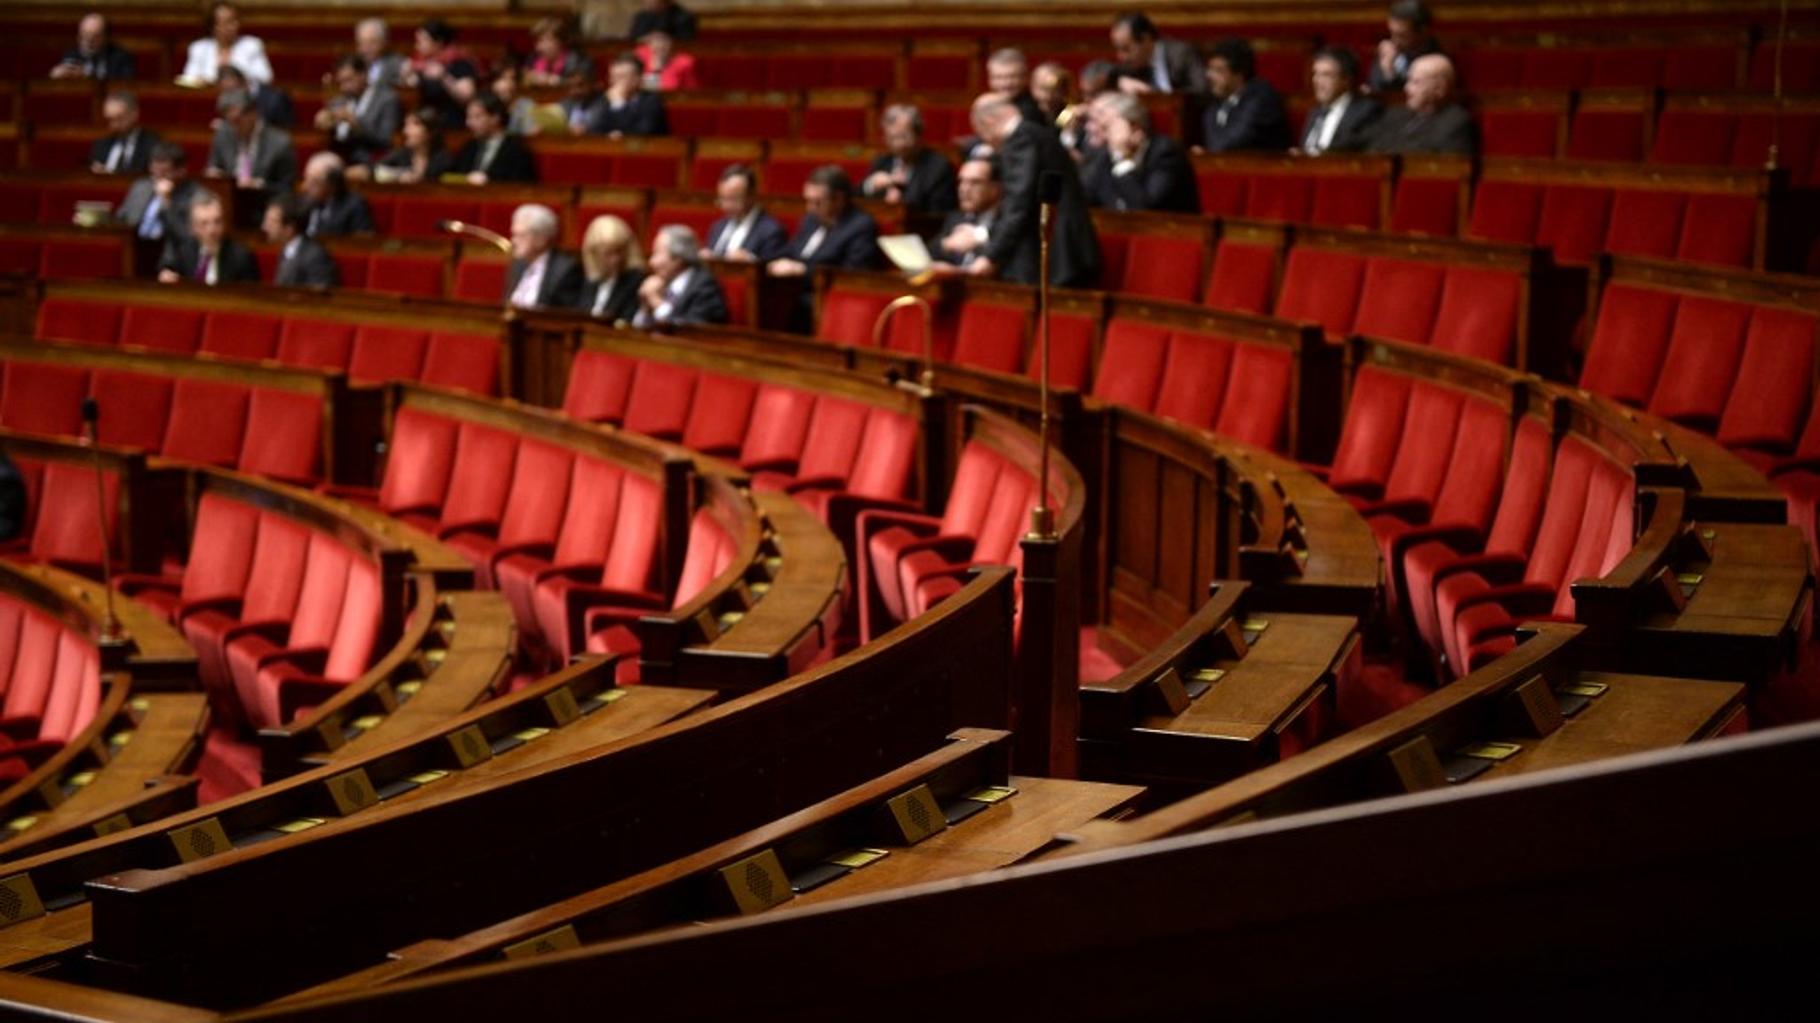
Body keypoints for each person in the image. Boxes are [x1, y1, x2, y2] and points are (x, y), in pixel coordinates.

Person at [966, 93, 1098, 287]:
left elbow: (1018, 202)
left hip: (1058, 251)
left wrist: (991, 256)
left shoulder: (1020, 140)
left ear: (989, 121)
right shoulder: (1036, 132)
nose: (988, 142)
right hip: (1066, 245)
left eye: (982, 133)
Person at [1082, 92, 1198, 213]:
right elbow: (1085, 197)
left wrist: (1122, 160)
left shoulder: (1166, 154)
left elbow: (1145, 209)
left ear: (1135, 128)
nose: (1092, 129)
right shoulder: (1104, 154)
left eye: (1107, 127)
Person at [768, 166, 882, 278]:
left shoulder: (860, 227)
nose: (810, 208)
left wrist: (803, 270)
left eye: (818, 202)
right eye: (808, 200)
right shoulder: (810, 220)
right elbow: (792, 251)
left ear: (838, 199)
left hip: (821, 293)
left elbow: (852, 274)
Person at [1368, 53, 1475, 155]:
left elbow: (1448, 167)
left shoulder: (1455, 121)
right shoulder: (1395, 114)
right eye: (1408, 81)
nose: (1406, 88)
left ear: (1439, 89)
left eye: (1415, 82)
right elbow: (1373, 148)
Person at [862, 105, 958, 215]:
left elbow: (939, 213)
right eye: (892, 138)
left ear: (919, 135)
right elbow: (857, 196)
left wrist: (902, 203)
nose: (898, 144)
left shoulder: (939, 167)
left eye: (903, 137)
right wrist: (871, 185)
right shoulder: (882, 162)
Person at [1200, 38, 1290, 153]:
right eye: (1210, 69)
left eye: (1218, 70)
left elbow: (1234, 141)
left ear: (1239, 75)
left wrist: (1208, 153)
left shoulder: (1261, 98)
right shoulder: (1215, 100)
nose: (1209, 75)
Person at [636, 226, 728, 328]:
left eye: (657, 253)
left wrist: (656, 301)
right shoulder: (661, 284)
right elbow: (638, 330)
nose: (651, 262)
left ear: (678, 258)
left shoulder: (705, 287)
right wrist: (645, 308)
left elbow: (691, 331)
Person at [207, 88, 297, 192]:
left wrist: (259, 186)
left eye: (237, 120)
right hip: (228, 200)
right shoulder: (223, 134)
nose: (233, 127)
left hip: (263, 201)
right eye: (228, 121)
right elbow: (214, 167)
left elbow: (286, 188)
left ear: (253, 114)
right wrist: (214, 175)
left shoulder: (281, 143)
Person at [157, 192, 258, 285]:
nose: (211, 230)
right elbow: (167, 270)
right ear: (192, 228)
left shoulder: (241, 257)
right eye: (204, 224)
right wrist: (167, 276)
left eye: (217, 221)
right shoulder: (183, 252)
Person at [1299, 47, 1384, 155]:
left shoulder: (1366, 112)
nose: (1316, 81)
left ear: (1346, 80)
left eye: (1326, 75)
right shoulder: (1315, 112)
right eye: (1315, 74)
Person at [316, 54, 400, 163]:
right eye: (340, 82)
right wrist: (324, 123)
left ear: (363, 75)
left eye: (348, 80)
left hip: (370, 159)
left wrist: (356, 124)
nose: (343, 87)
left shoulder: (386, 99)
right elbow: (333, 134)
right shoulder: (339, 100)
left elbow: (385, 140)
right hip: (339, 156)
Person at [116, 142, 201, 243]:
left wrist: (166, 200)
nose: (157, 178)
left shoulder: (194, 195)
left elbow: (184, 236)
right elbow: (121, 218)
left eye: (164, 172)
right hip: (133, 246)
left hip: (168, 252)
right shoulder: (141, 186)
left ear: (181, 171)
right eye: (154, 172)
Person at [503, 204, 584, 310]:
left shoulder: (566, 270)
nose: (513, 241)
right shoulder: (518, 264)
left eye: (521, 235)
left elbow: (565, 318)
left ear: (542, 239)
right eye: (514, 234)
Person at [703, 164, 789, 263]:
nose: (725, 206)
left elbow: (774, 270)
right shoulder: (718, 227)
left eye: (733, 199)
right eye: (722, 199)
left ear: (751, 196)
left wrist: (750, 261)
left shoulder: (772, 231)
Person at [932, 156, 1003, 271]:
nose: (964, 189)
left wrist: (980, 239)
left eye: (975, 182)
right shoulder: (956, 217)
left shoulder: (1007, 222)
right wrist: (947, 244)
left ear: (995, 188)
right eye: (961, 182)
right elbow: (932, 249)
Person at [575, 215, 648, 323]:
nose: (615, 260)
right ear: (593, 253)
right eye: (608, 254)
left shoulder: (635, 281)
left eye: (619, 251)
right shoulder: (581, 277)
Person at [1110, 13, 1206, 95]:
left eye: (1126, 49)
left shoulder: (1181, 54)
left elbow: (1201, 91)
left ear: (1145, 39)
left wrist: (1153, 94)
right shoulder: (1129, 64)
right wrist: (1119, 81)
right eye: (1118, 49)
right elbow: (1102, 68)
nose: (1120, 56)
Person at [403, 19, 480, 119]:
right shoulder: (420, 63)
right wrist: (407, 76)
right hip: (426, 119)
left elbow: (467, 96)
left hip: (451, 119)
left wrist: (443, 77)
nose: (417, 46)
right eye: (417, 41)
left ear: (438, 42)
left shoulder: (459, 63)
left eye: (423, 40)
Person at [453, 95, 538, 184]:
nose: (469, 123)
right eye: (469, 117)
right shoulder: (470, 146)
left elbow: (521, 186)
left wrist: (488, 182)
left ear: (495, 117)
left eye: (477, 117)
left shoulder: (516, 149)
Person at [182, 2, 271, 85]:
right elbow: (189, 79)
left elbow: (265, 77)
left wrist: (240, 81)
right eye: (226, 22)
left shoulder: (252, 45)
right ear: (213, 26)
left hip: (242, 99)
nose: (233, 26)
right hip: (207, 98)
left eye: (234, 21)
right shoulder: (199, 48)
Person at [1370, 0, 1443, 93]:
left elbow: (1414, 95)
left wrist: (1389, 72)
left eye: (1402, 35)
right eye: (1392, 33)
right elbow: (1374, 87)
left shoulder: (1437, 59)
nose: (1394, 41)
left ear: (1423, 31)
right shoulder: (1388, 51)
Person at [264, 195, 338, 288]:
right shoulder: (286, 250)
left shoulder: (316, 257)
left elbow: (320, 298)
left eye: (271, 222)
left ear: (289, 229)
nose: (265, 227)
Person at [589, 53, 668, 137]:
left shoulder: (652, 102)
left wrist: (619, 103)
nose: (615, 82)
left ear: (638, 79)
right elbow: (595, 129)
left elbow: (643, 132)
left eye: (621, 77)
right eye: (613, 77)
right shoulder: (605, 99)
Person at [366, 107, 452, 184]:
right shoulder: (400, 155)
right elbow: (372, 169)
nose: (405, 131)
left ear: (430, 132)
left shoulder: (443, 160)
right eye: (406, 125)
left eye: (413, 125)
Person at [300, 152, 373, 237]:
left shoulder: (354, 205)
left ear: (332, 184)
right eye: (306, 179)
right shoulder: (305, 202)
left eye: (314, 182)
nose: (305, 186)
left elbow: (362, 241)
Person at [90, 92, 160, 175]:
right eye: (109, 120)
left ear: (134, 114)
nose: (113, 125)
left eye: (119, 119)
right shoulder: (101, 145)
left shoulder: (152, 145)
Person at [53, 13, 135, 81]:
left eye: (95, 36)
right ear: (78, 37)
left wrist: (86, 77)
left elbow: (124, 86)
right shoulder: (71, 55)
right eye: (85, 35)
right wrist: (55, 76)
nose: (89, 41)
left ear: (106, 37)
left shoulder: (121, 57)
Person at [217, 64, 293, 130]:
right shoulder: (228, 103)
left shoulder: (276, 99)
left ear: (244, 83)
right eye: (225, 92)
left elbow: (287, 132)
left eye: (232, 91)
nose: (229, 97)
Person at [525, 17, 589, 87]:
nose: (538, 47)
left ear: (559, 41)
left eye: (543, 41)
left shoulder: (579, 61)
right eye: (537, 41)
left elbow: (580, 85)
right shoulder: (535, 57)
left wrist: (558, 81)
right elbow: (524, 76)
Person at [987, 49, 1045, 124]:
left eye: (1012, 77)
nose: (1006, 83)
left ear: (1026, 77)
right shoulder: (989, 105)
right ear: (990, 79)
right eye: (999, 77)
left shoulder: (1038, 107)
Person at [351, 18, 405, 90]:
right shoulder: (355, 65)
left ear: (384, 42)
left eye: (372, 43)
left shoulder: (398, 65)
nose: (365, 49)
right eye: (362, 43)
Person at [492, 63, 540, 136]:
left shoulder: (527, 105)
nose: (508, 84)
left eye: (512, 79)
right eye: (502, 79)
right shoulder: (487, 105)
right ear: (493, 84)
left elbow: (530, 135)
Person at [628, 0, 697, 43]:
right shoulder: (641, 16)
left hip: (673, 56)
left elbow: (687, 43)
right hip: (642, 53)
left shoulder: (684, 17)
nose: (646, 1)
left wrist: (663, 38)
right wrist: (645, 38)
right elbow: (632, 39)